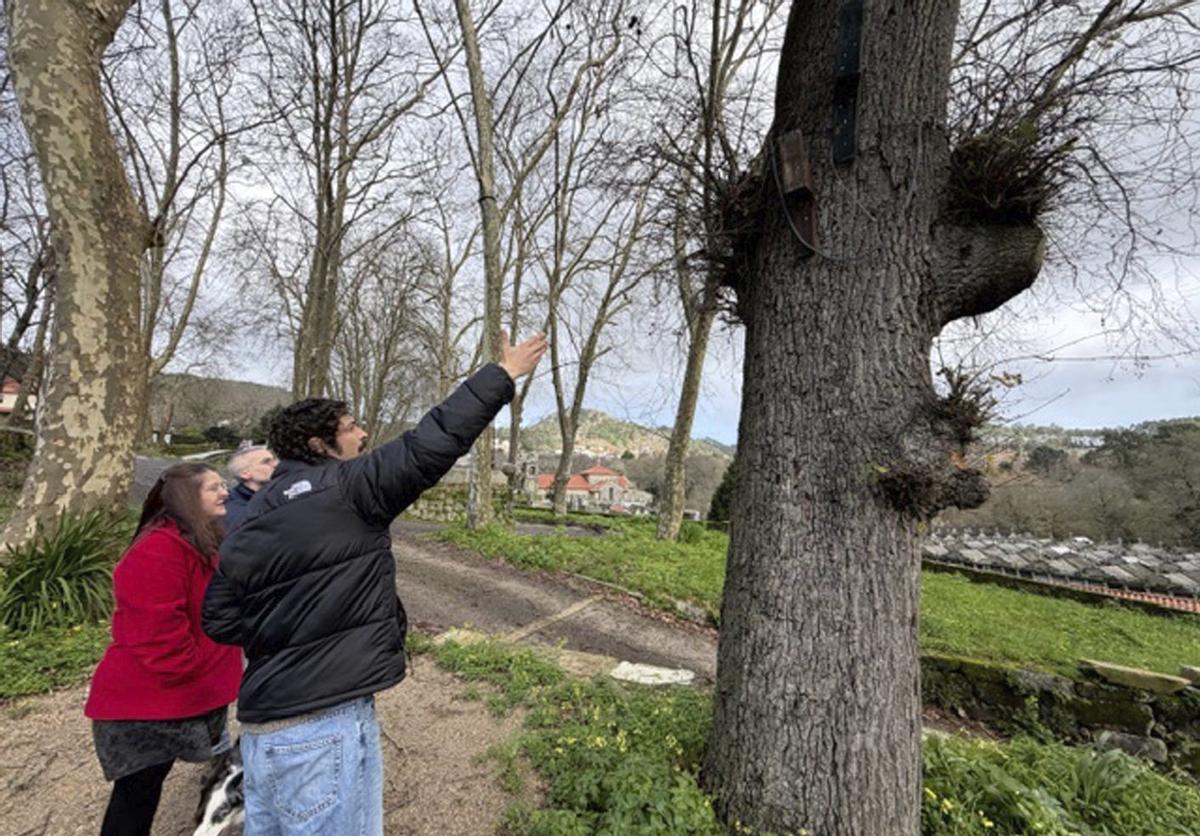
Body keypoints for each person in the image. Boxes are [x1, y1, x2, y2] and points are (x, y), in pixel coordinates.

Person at [203, 331, 547, 836]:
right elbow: (433, 440)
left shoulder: (250, 516)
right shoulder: (350, 488)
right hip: (324, 731)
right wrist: (504, 374)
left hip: (259, 734)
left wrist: (293, 629)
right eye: (351, 427)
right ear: (321, 444)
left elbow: (219, 618)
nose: (362, 435)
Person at [85, 463, 243, 836]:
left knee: (144, 791)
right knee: (134, 798)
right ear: (187, 498)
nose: (225, 492)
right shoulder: (158, 549)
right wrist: (204, 667)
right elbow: (156, 638)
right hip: (140, 707)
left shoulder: (196, 540)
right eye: (214, 488)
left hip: (166, 701)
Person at [224, 443, 279, 530]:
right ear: (244, 473)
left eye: (274, 459)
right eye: (266, 462)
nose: (276, 464)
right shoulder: (238, 511)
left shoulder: (279, 492)